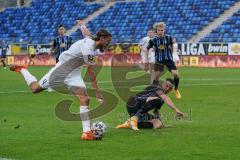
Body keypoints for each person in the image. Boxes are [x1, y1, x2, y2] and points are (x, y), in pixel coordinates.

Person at [10, 27, 112, 140]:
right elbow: (91, 72)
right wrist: (97, 93)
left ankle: (86, 133)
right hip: (62, 70)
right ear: (102, 38)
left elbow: (86, 33)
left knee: (85, 99)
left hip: (74, 72)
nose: (109, 44)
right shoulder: (88, 46)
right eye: (108, 41)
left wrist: (82, 25)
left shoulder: (91, 41)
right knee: (35, 89)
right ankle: (23, 69)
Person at [116, 78, 184, 130]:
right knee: (155, 99)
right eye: (167, 86)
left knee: (157, 123)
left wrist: (162, 125)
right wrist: (176, 110)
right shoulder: (156, 87)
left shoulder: (161, 99)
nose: (167, 89)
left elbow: (156, 111)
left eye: (170, 88)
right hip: (134, 103)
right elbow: (165, 98)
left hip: (138, 107)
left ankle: (131, 122)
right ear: (163, 83)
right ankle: (134, 119)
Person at [146, 22, 181, 99]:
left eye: (162, 30)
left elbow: (172, 45)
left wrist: (171, 54)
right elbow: (147, 48)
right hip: (159, 60)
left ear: (164, 30)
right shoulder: (153, 40)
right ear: (156, 31)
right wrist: (146, 59)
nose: (161, 32)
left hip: (168, 60)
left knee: (176, 74)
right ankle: (155, 91)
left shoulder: (169, 38)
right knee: (156, 78)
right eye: (159, 30)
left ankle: (176, 89)